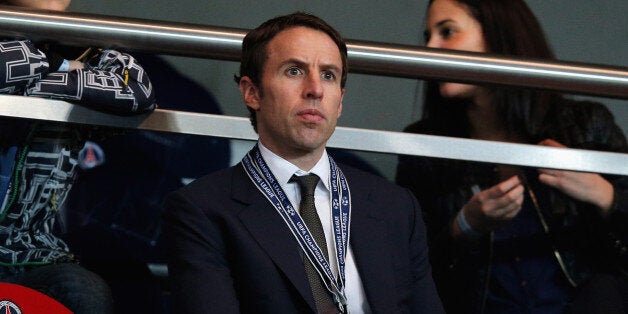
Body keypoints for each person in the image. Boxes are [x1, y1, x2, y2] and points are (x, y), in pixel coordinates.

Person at [163, 12, 444, 314]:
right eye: (294, 71)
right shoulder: (202, 210)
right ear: (252, 92)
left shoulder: (396, 207)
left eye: (328, 75)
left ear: (339, 102)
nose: (315, 89)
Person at [395, 0, 628, 313]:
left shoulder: (585, 124)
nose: (432, 48)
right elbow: (406, 269)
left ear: (497, 35)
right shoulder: (424, 146)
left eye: (447, 32)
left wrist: (602, 192)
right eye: (428, 37)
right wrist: (464, 226)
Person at [0, 0, 156, 313]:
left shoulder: (87, 45)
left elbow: (138, 92)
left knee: (83, 289)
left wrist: (33, 83)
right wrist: (56, 64)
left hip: (28, 256)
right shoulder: (66, 55)